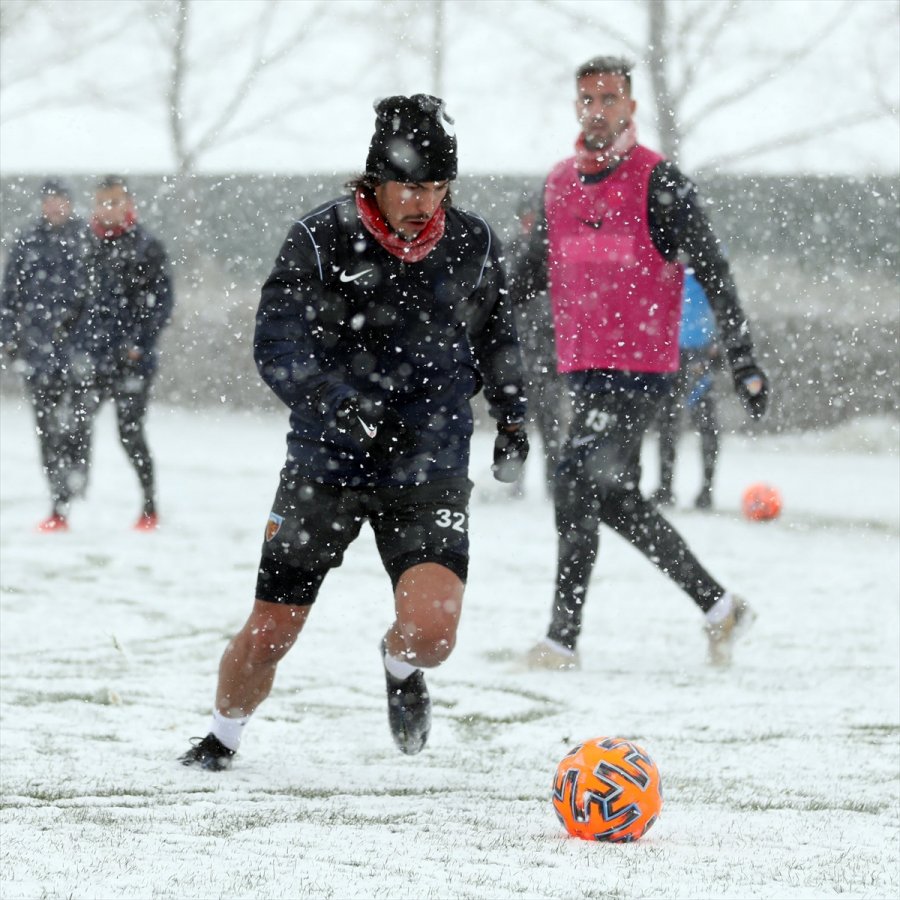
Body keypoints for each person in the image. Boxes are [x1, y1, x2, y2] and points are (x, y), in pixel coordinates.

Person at [180, 94, 528, 771]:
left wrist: (512, 416)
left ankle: (400, 669)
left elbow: (497, 336)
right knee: (273, 631)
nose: (422, 201)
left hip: (428, 461)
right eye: (408, 184)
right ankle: (222, 738)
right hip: (328, 463)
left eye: (435, 186)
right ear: (374, 180)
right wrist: (338, 404)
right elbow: (276, 344)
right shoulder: (319, 238)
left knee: (433, 634)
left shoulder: (474, 243)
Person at [512, 56, 769, 670]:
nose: (597, 110)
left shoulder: (662, 182)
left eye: (609, 99)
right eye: (587, 99)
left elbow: (715, 271)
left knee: (577, 477)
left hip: (644, 369)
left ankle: (561, 640)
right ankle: (719, 606)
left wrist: (744, 361)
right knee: (610, 496)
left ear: (630, 106)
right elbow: (520, 278)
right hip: (583, 366)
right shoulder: (557, 186)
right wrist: (463, 328)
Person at [66, 175, 173, 530]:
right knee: (74, 428)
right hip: (90, 358)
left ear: (128, 204)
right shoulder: (83, 244)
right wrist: (69, 339)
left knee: (130, 435)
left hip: (131, 364)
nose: (107, 209)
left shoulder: (147, 247)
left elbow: (161, 305)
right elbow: (74, 301)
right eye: (101, 202)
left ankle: (149, 507)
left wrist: (138, 345)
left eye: (114, 202)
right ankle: (62, 506)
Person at [0, 179, 91, 532]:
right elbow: (9, 297)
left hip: (78, 353)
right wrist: (9, 340)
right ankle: (57, 497)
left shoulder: (85, 240)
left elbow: (97, 297)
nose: (55, 207)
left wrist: (87, 339)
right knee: (47, 430)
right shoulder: (26, 242)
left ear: (69, 204)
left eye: (61, 201)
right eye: (49, 201)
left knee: (78, 424)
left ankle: (78, 476)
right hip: (37, 354)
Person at [508, 192, 568, 497]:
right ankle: (514, 480)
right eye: (527, 217)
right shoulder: (512, 252)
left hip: (549, 353)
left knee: (551, 424)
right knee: (516, 423)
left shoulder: (555, 253)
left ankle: (552, 481)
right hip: (520, 353)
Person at [652, 269, 721, 510]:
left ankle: (705, 489)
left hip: (698, 349)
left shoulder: (705, 256)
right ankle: (665, 486)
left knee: (705, 422)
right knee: (667, 422)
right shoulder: (665, 251)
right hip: (671, 350)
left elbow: (723, 301)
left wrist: (717, 343)